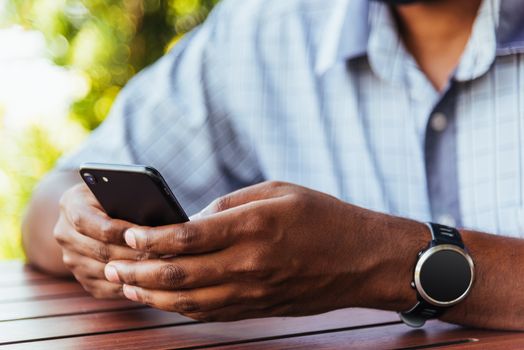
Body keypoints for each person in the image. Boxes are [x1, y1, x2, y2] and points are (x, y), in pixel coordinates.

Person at [22, 0, 524, 329]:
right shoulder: (261, 31)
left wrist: (386, 263)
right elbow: (48, 207)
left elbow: (376, 263)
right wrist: (86, 232)